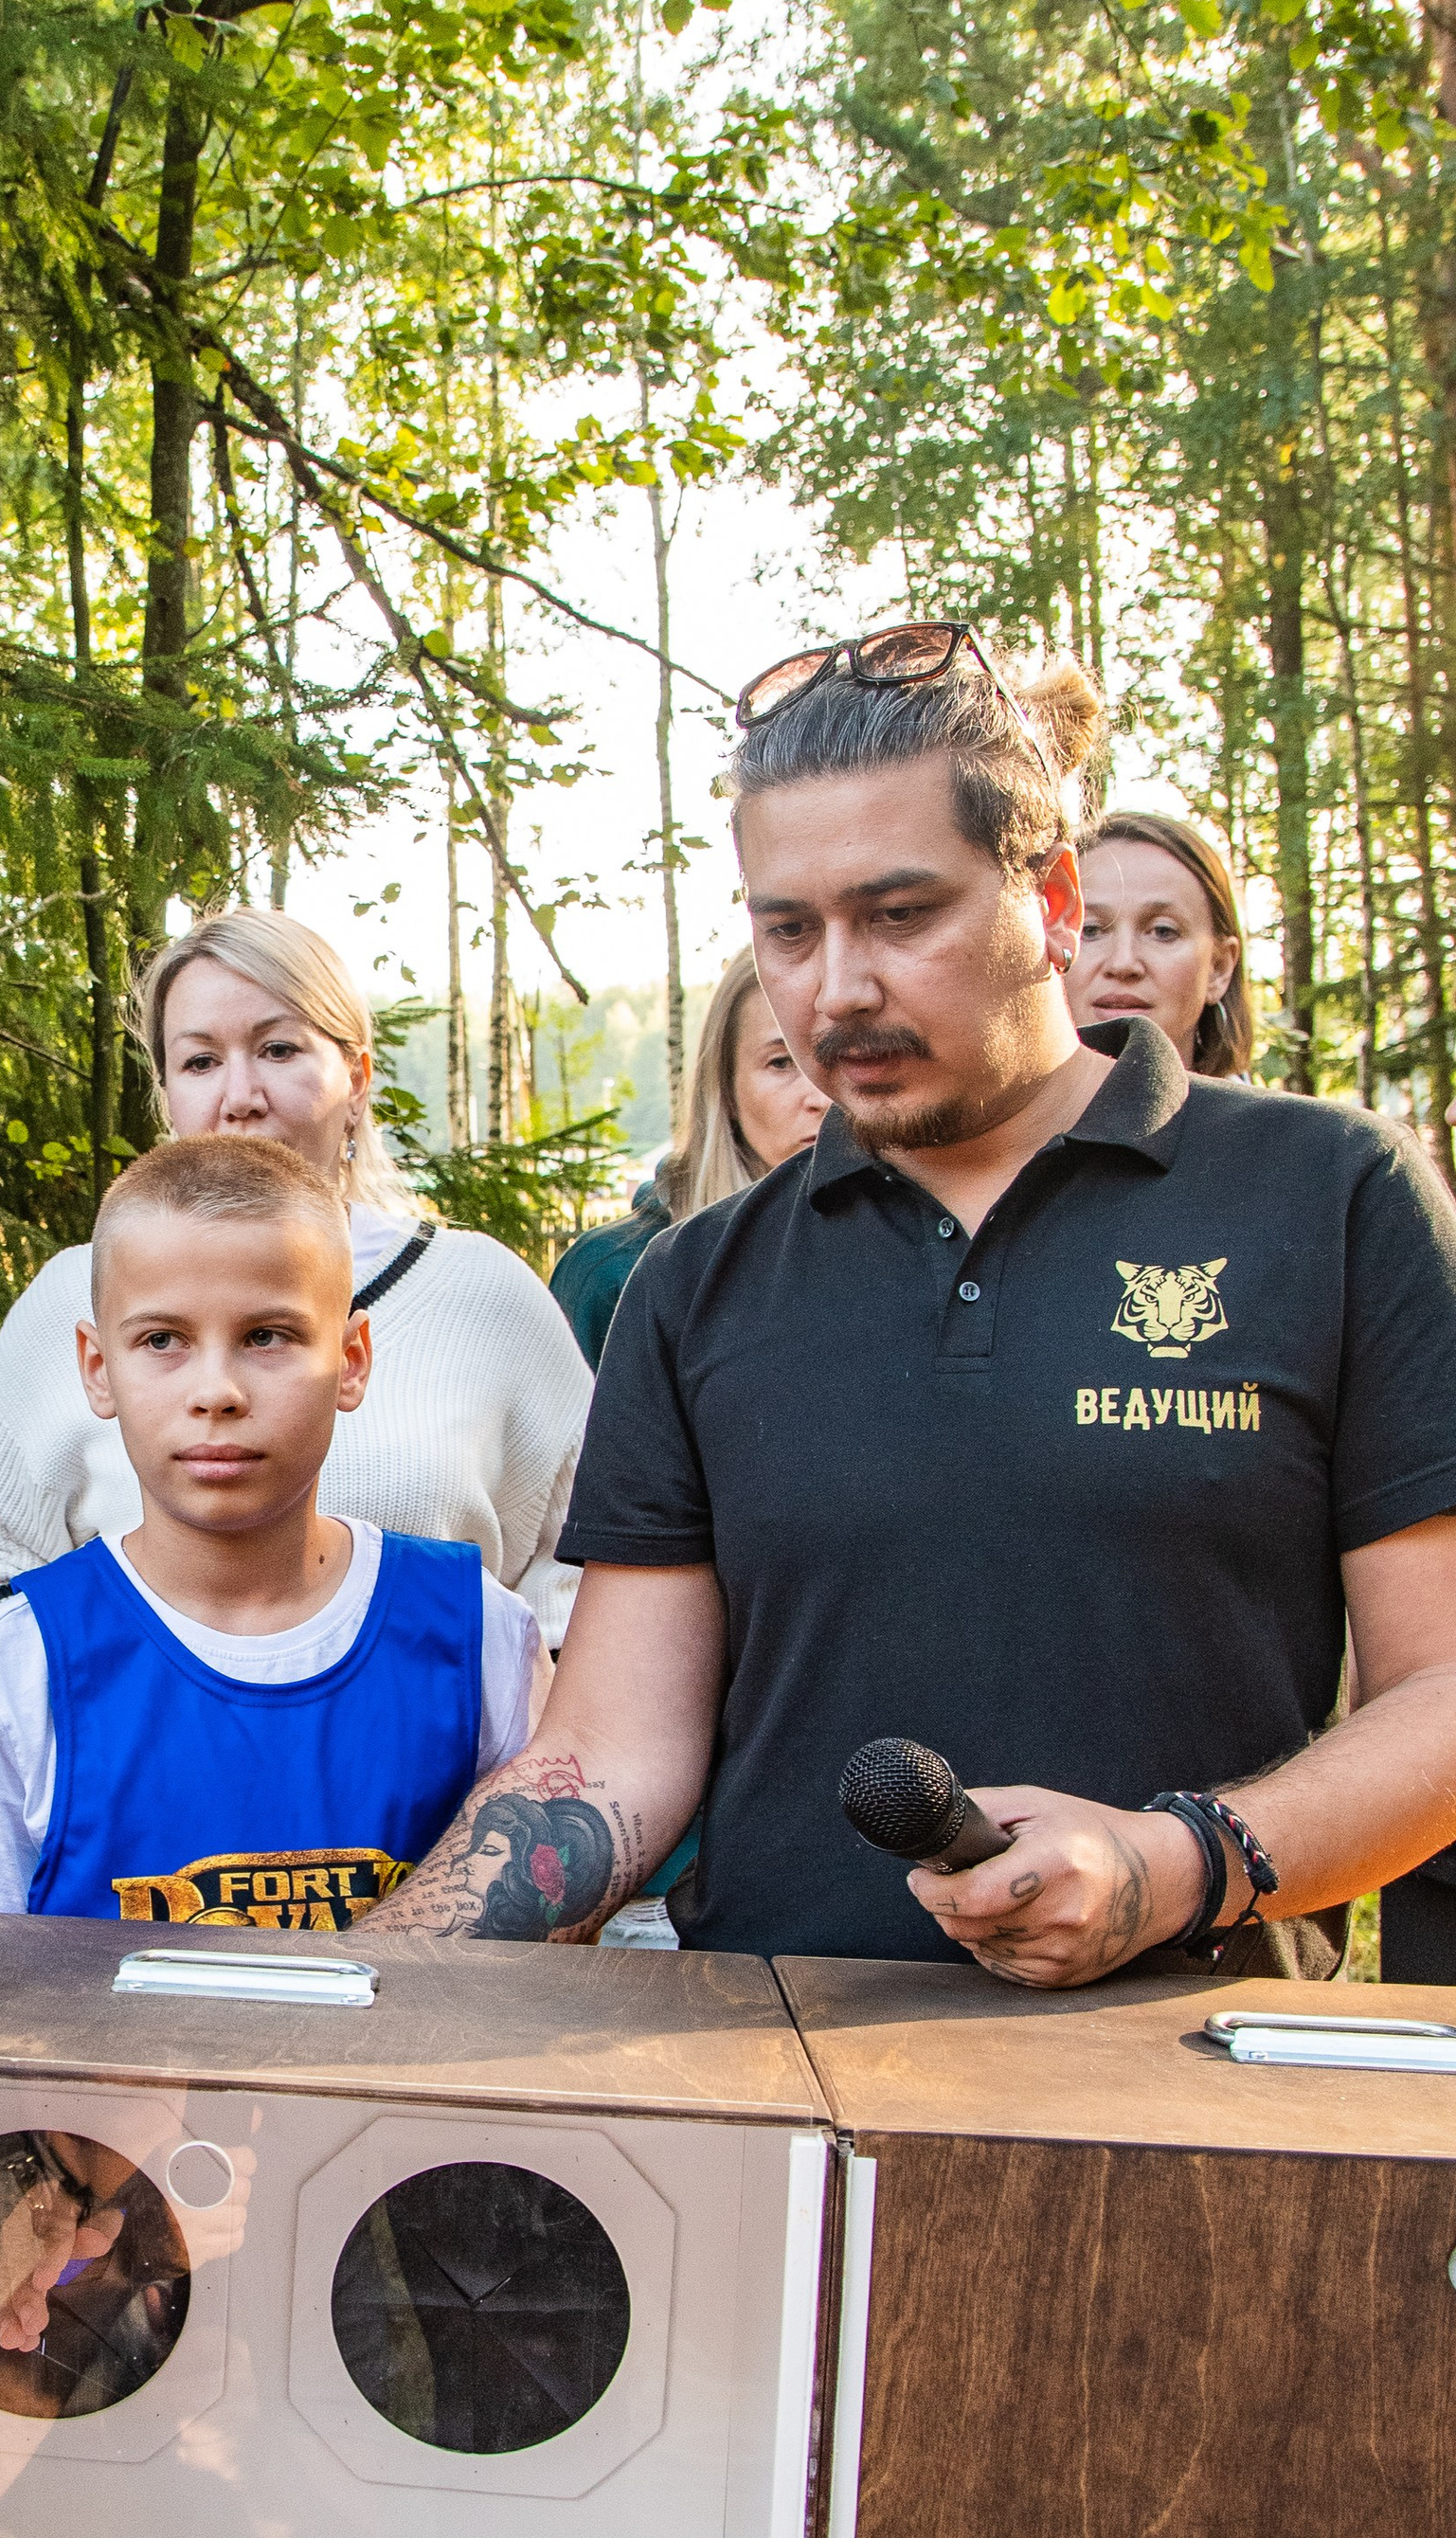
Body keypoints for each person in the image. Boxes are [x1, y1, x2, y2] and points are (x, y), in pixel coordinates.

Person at [368, 620, 1456, 1989]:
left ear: (1052, 903)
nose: (839, 989)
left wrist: (1173, 1865)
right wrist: (359, 1991)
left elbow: (1443, 1699)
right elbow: (617, 1761)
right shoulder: (695, 1286)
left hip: (1199, 2103)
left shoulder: (1332, 1197)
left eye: (901, 914)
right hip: (771, 2094)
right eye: (789, 930)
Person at [0, 1133, 544, 1924]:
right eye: (163, 1341)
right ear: (98, 1369)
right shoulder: (12, 1672)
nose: (216, 1391)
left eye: (268, 1337)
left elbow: (540, 1951)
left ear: (352, 1359)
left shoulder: (480, 1636)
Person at [0, 908, 592, 1647]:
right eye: (200, 1061)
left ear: (355, 1079)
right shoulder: (76, 1299)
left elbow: (587, 1564)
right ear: (166, 1091)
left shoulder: (484, 1295)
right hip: (144, 1757)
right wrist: (105, 1685)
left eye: (277, 1049)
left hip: (438, 1755)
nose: (240, 1097)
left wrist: (518, 1731)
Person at [549, 950, 828, 1366]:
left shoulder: (917, 1254)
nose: (822, 1097)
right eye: (782, 1062)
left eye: (841, 1054)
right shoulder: (614, 1277)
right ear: (726, 1089)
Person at [1072, 807, 1252, 1075]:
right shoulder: (999, 1116)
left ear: (1219, 968)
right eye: (1090, 930)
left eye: (1162, 932)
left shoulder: (1286, 1119)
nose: (1123, 963)